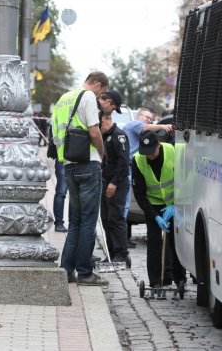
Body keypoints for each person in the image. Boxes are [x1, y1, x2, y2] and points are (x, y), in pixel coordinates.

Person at [52, 71, 108, 285]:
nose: (100, 95)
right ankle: (85, 272)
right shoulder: (87, 97)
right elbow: (94, 132)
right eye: (101, 91)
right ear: (96, 83)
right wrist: (102, 154)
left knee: (75, 220)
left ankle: (66, 269)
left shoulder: (63, 98)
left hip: (68, 163)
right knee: (88, 220)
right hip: (88, 162)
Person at [132, 131, 185, 287]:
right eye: (145, 153)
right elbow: (140, 195)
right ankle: (155, 281)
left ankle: (179, 278)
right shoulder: (137, 160)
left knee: (176, 241)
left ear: (159, 145)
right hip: (152, 205)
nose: (149, 156)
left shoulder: (173, 151)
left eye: (151, 152)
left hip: (174, 203)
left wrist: (175, 205)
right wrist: (155, 216)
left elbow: (185, 181)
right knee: (154, 242)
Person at [123, 107, 174, 246]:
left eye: (151, 119)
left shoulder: (169, 151)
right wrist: (163, 125)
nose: (149, 121)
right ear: (139, 116)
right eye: (147, 117)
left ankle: (124, 239)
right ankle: (123, 240)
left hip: (167, 203)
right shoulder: (134, 125)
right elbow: (140, 194)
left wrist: (175, 205)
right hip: (131, 169)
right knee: (125, 207)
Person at [99, 114, 130, 267]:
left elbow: (124, 162)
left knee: (115, 218)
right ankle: (111, 253)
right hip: (105, 182)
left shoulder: (119, 136)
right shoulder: (105, 137)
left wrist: (114, 182)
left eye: (100, 122)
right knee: (106, 219)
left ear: (107, 119)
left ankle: (121, 254)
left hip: (116, 184)